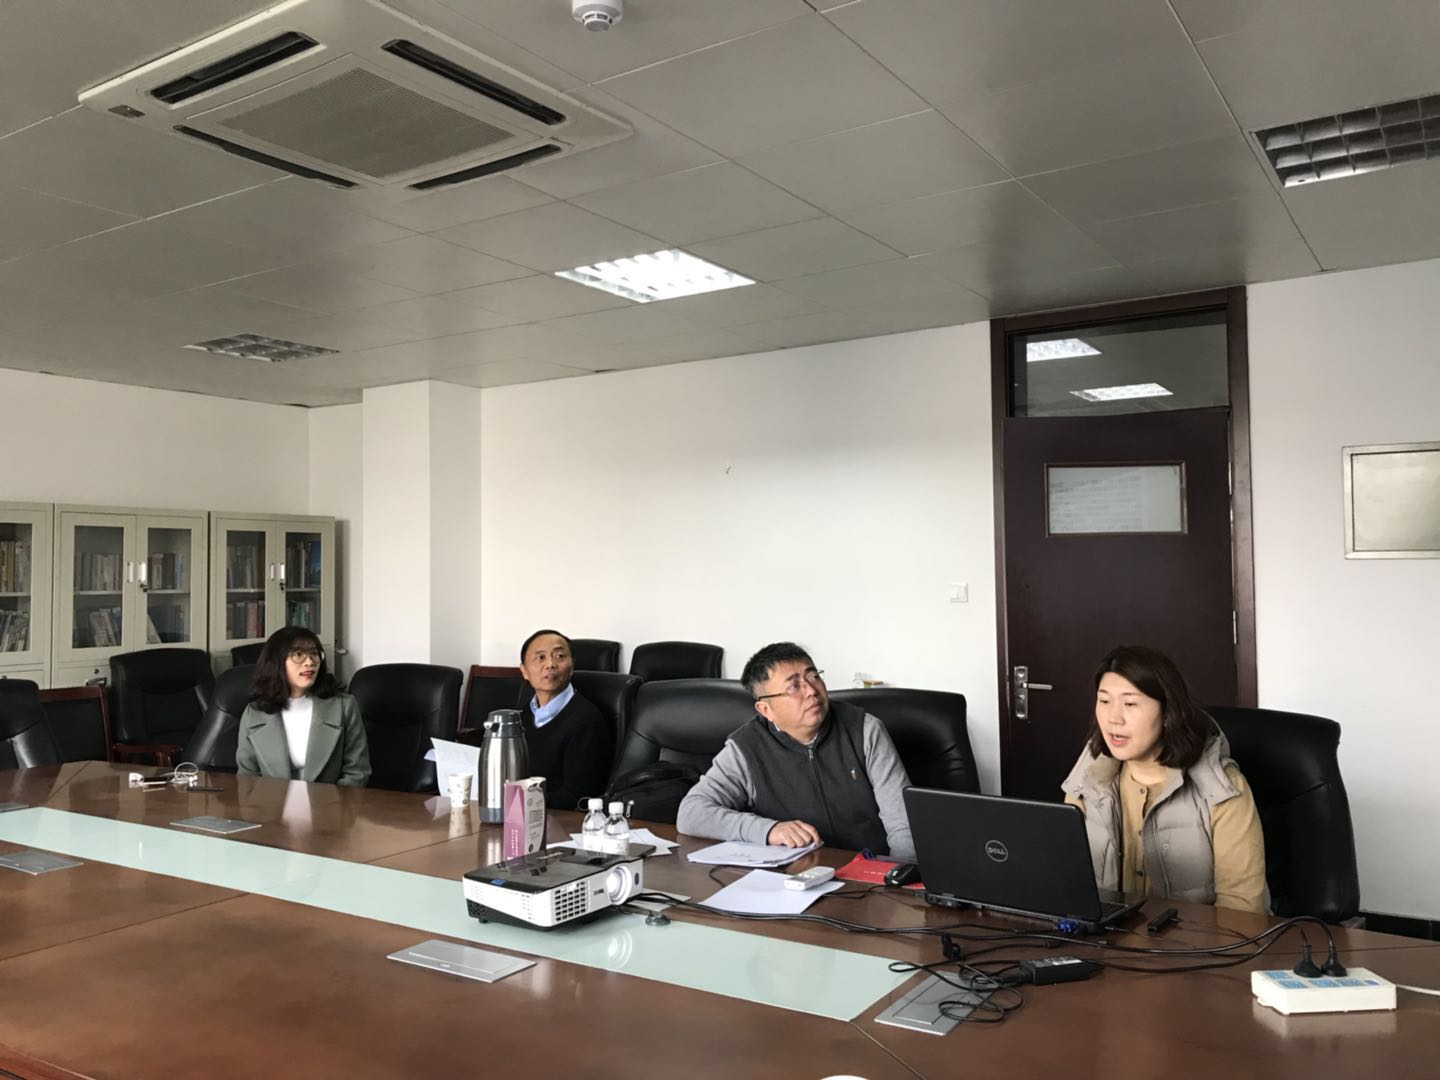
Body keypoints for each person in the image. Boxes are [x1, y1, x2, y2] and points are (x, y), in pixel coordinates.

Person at [1061, 645, 1268, 914]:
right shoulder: (1087, 780)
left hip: (1198, 939)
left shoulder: (1222, 788)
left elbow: (1242, 909)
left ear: (1168, 713)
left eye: (1130, 704)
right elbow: (1066, 882)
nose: (1114, 718)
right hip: (1107, 936)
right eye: (1104, 701)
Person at [677, 642, 915, 860]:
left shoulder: (864, 730)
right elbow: (691, 813)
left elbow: (903, 826)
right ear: (766, 709)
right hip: (796, 876)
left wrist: (900, 878)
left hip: (871, 873)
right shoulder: (747, 748)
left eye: (813, 677)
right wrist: (768, 830)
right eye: (793, 686)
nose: (811, 691)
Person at [236, 626, 370, 786]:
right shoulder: (254, 713)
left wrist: (331, 802)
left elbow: (357, 773)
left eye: (314, 653)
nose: (310, 662)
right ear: (277, 662)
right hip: (270, 801)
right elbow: (247, 779)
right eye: (298, 654)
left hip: (330, 801)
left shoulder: (344, 707)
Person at [518, 629, 612, 809]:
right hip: (520, 813)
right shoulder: (521, 716)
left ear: (572, 665)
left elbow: (578, 796)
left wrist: (519, 801)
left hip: (557, 818)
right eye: (540, 658)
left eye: (559, 656)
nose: (550, 664)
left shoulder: (586, 721)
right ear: (524, 671)